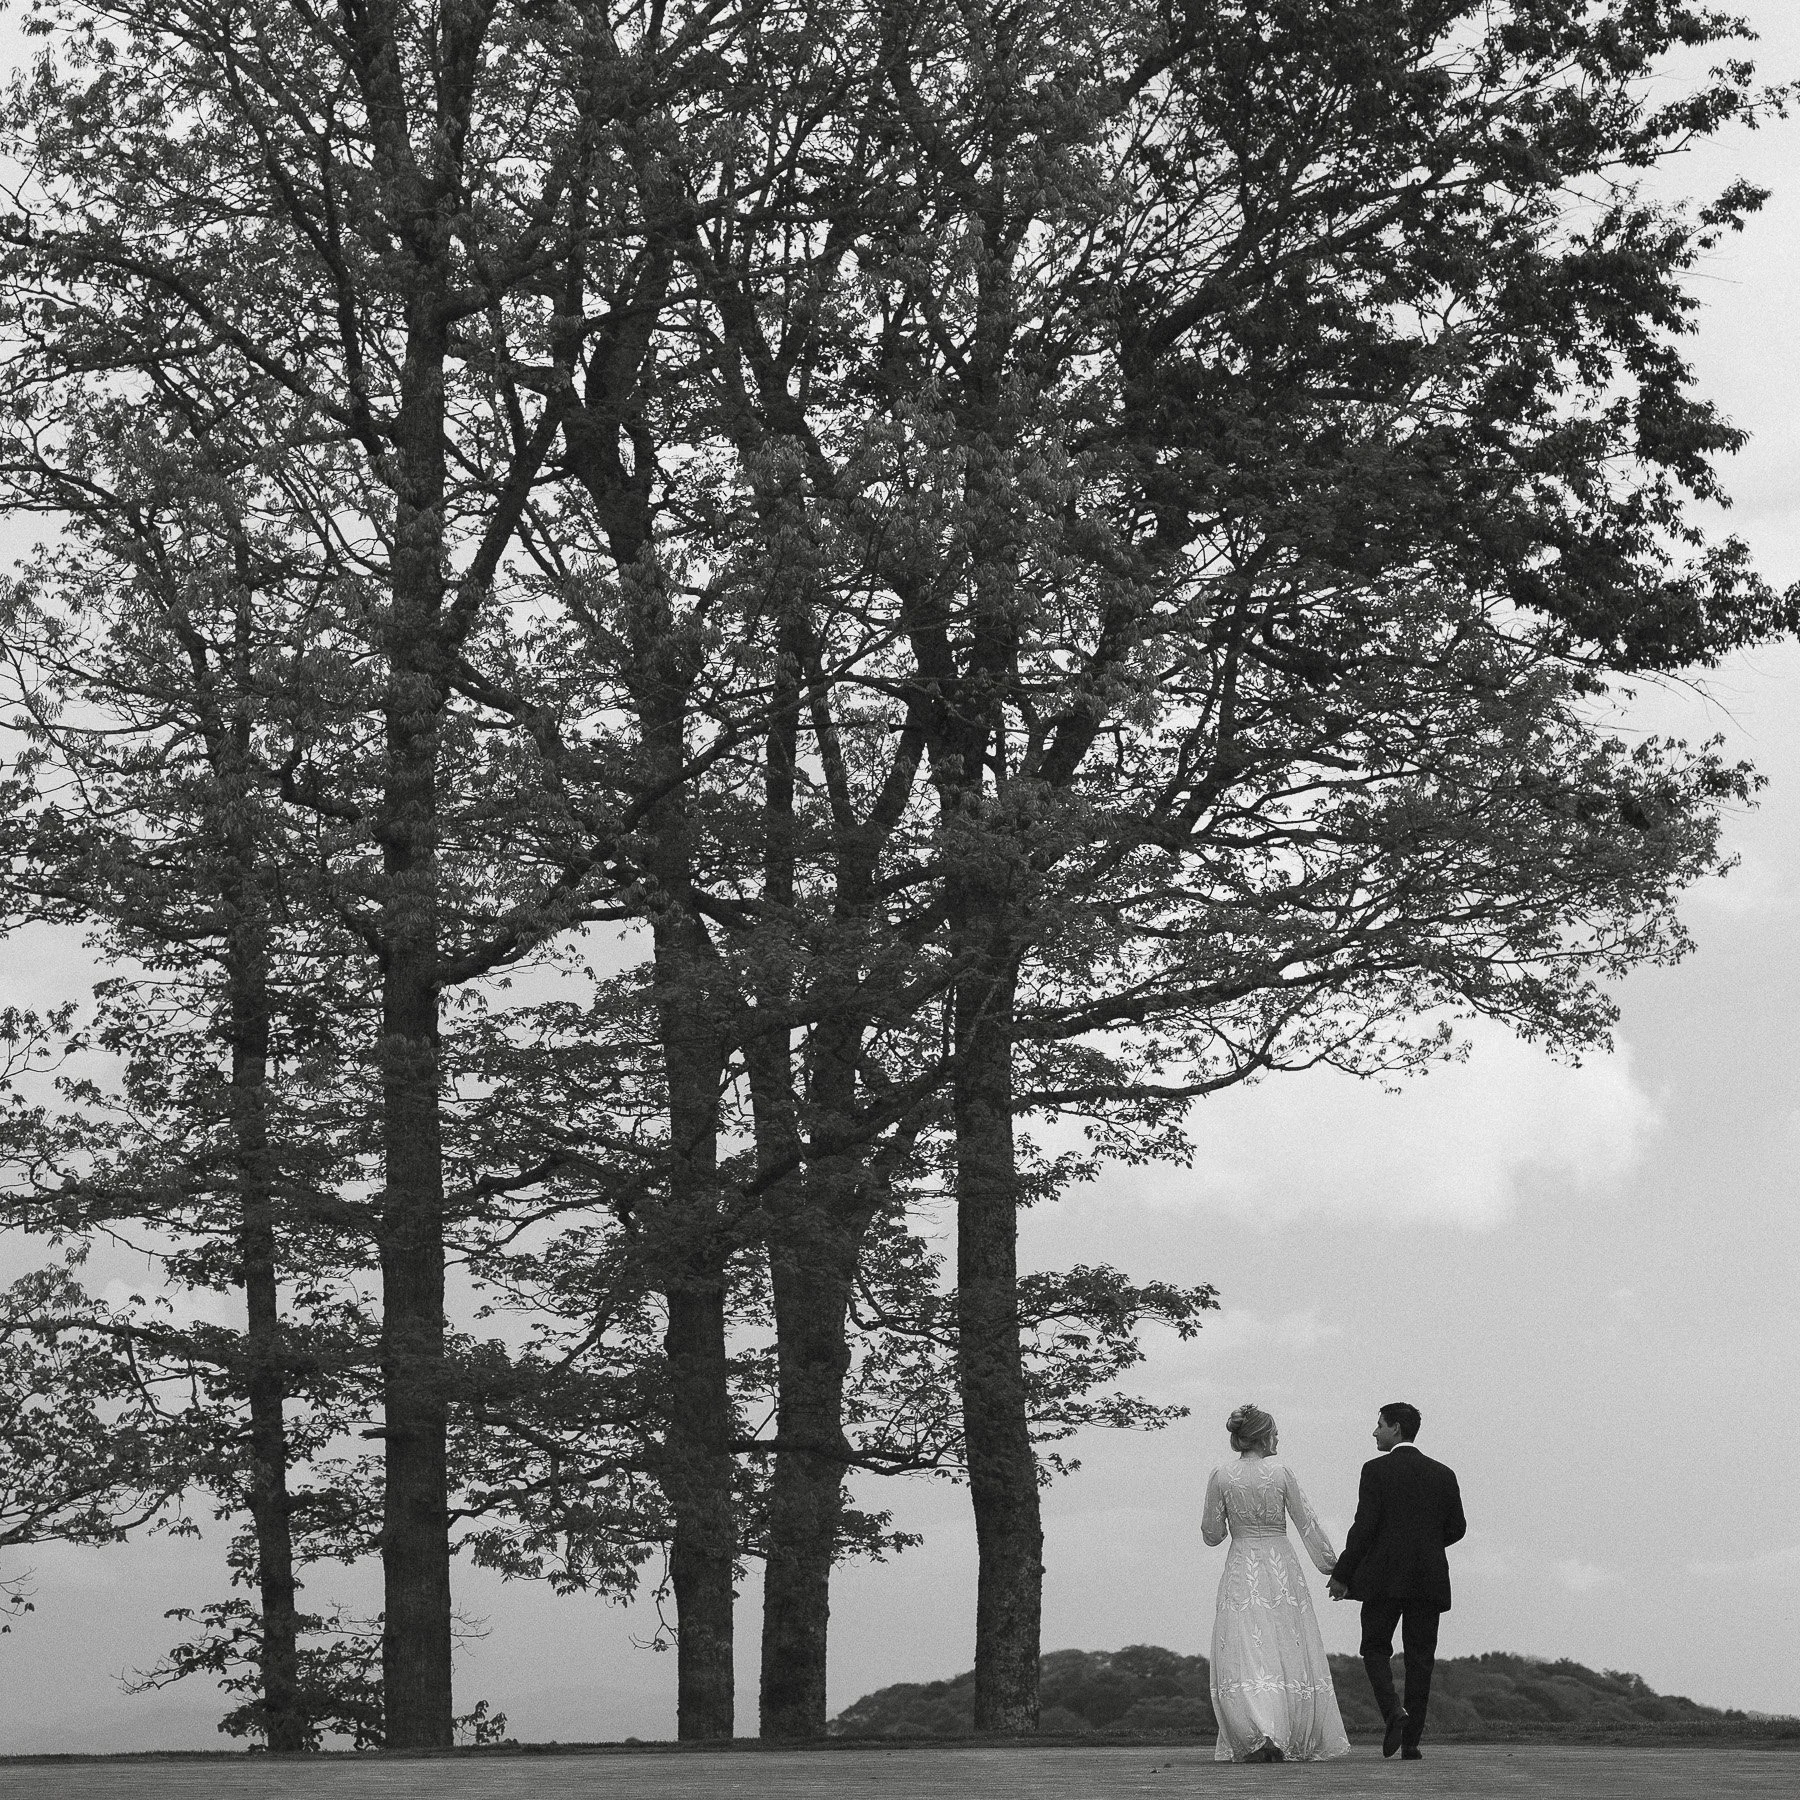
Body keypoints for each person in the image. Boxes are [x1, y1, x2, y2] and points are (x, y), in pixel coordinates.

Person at [1201, 1403, 1351, 1763]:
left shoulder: (1220, 1475)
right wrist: (1333, 1567)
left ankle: (1257, 1729)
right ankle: (1281, 1730)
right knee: (1285, 1646)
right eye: (1275, 1431)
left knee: (1247, 1648)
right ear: (1263, 1435)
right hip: (1281, 1566)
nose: (1278, 1436)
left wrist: (1232, 1525)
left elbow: (1211, 1534)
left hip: (1241, 1565)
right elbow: (1307, 1523)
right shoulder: (1281, 1473)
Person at [1328, 1401, 1467, 1762]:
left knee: (1375, 1648)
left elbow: (1364, 1526)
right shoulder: (1444, 1473)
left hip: (1383, 1578)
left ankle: (1393, 1712)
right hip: (1429, 1577)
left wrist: (1343, 1574)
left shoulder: (1375, 1471)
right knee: (1420, 1659)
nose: (1374, 1432)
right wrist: (1426, 1546)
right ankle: (1412, 1743)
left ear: (1396, 1429)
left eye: (1379, 1425)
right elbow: (1457, 1528)